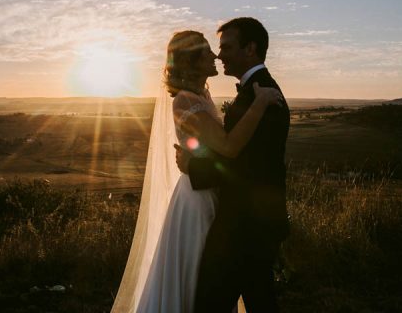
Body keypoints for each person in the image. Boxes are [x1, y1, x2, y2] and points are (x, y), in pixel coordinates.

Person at [111, 29, 284, 313]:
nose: (215, 55)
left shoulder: (200, 95)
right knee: (198, 276)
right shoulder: (186, 101)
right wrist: (261, 102)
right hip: (197, 200)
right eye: (206, 51)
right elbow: (227, 147)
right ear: (191, 60)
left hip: (209, 191)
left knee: (214, 278)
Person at [177, 18, 290, 313]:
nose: (219, 54)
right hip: (249, 221)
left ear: (250, 48)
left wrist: (194, 167)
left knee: (214, 302)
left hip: (246, 224)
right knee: (257, 298)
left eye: (226, 47)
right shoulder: (256, 91)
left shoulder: (262, 93)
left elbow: (248, 165)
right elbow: (237, 155)